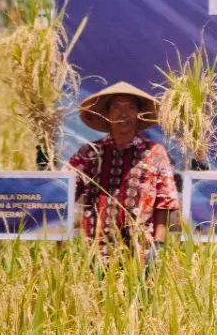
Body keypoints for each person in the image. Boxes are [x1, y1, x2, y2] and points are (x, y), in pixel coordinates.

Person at [67, 82, 178, 265]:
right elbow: (64, 187)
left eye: (130, 107)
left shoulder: (154, 153)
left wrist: (159, 244)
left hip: (141, 250)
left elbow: (165, 201)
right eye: (116, 107)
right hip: (96, 251)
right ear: (107, 114)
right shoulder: (90, 153)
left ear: (138, 114)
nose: (123, 113)